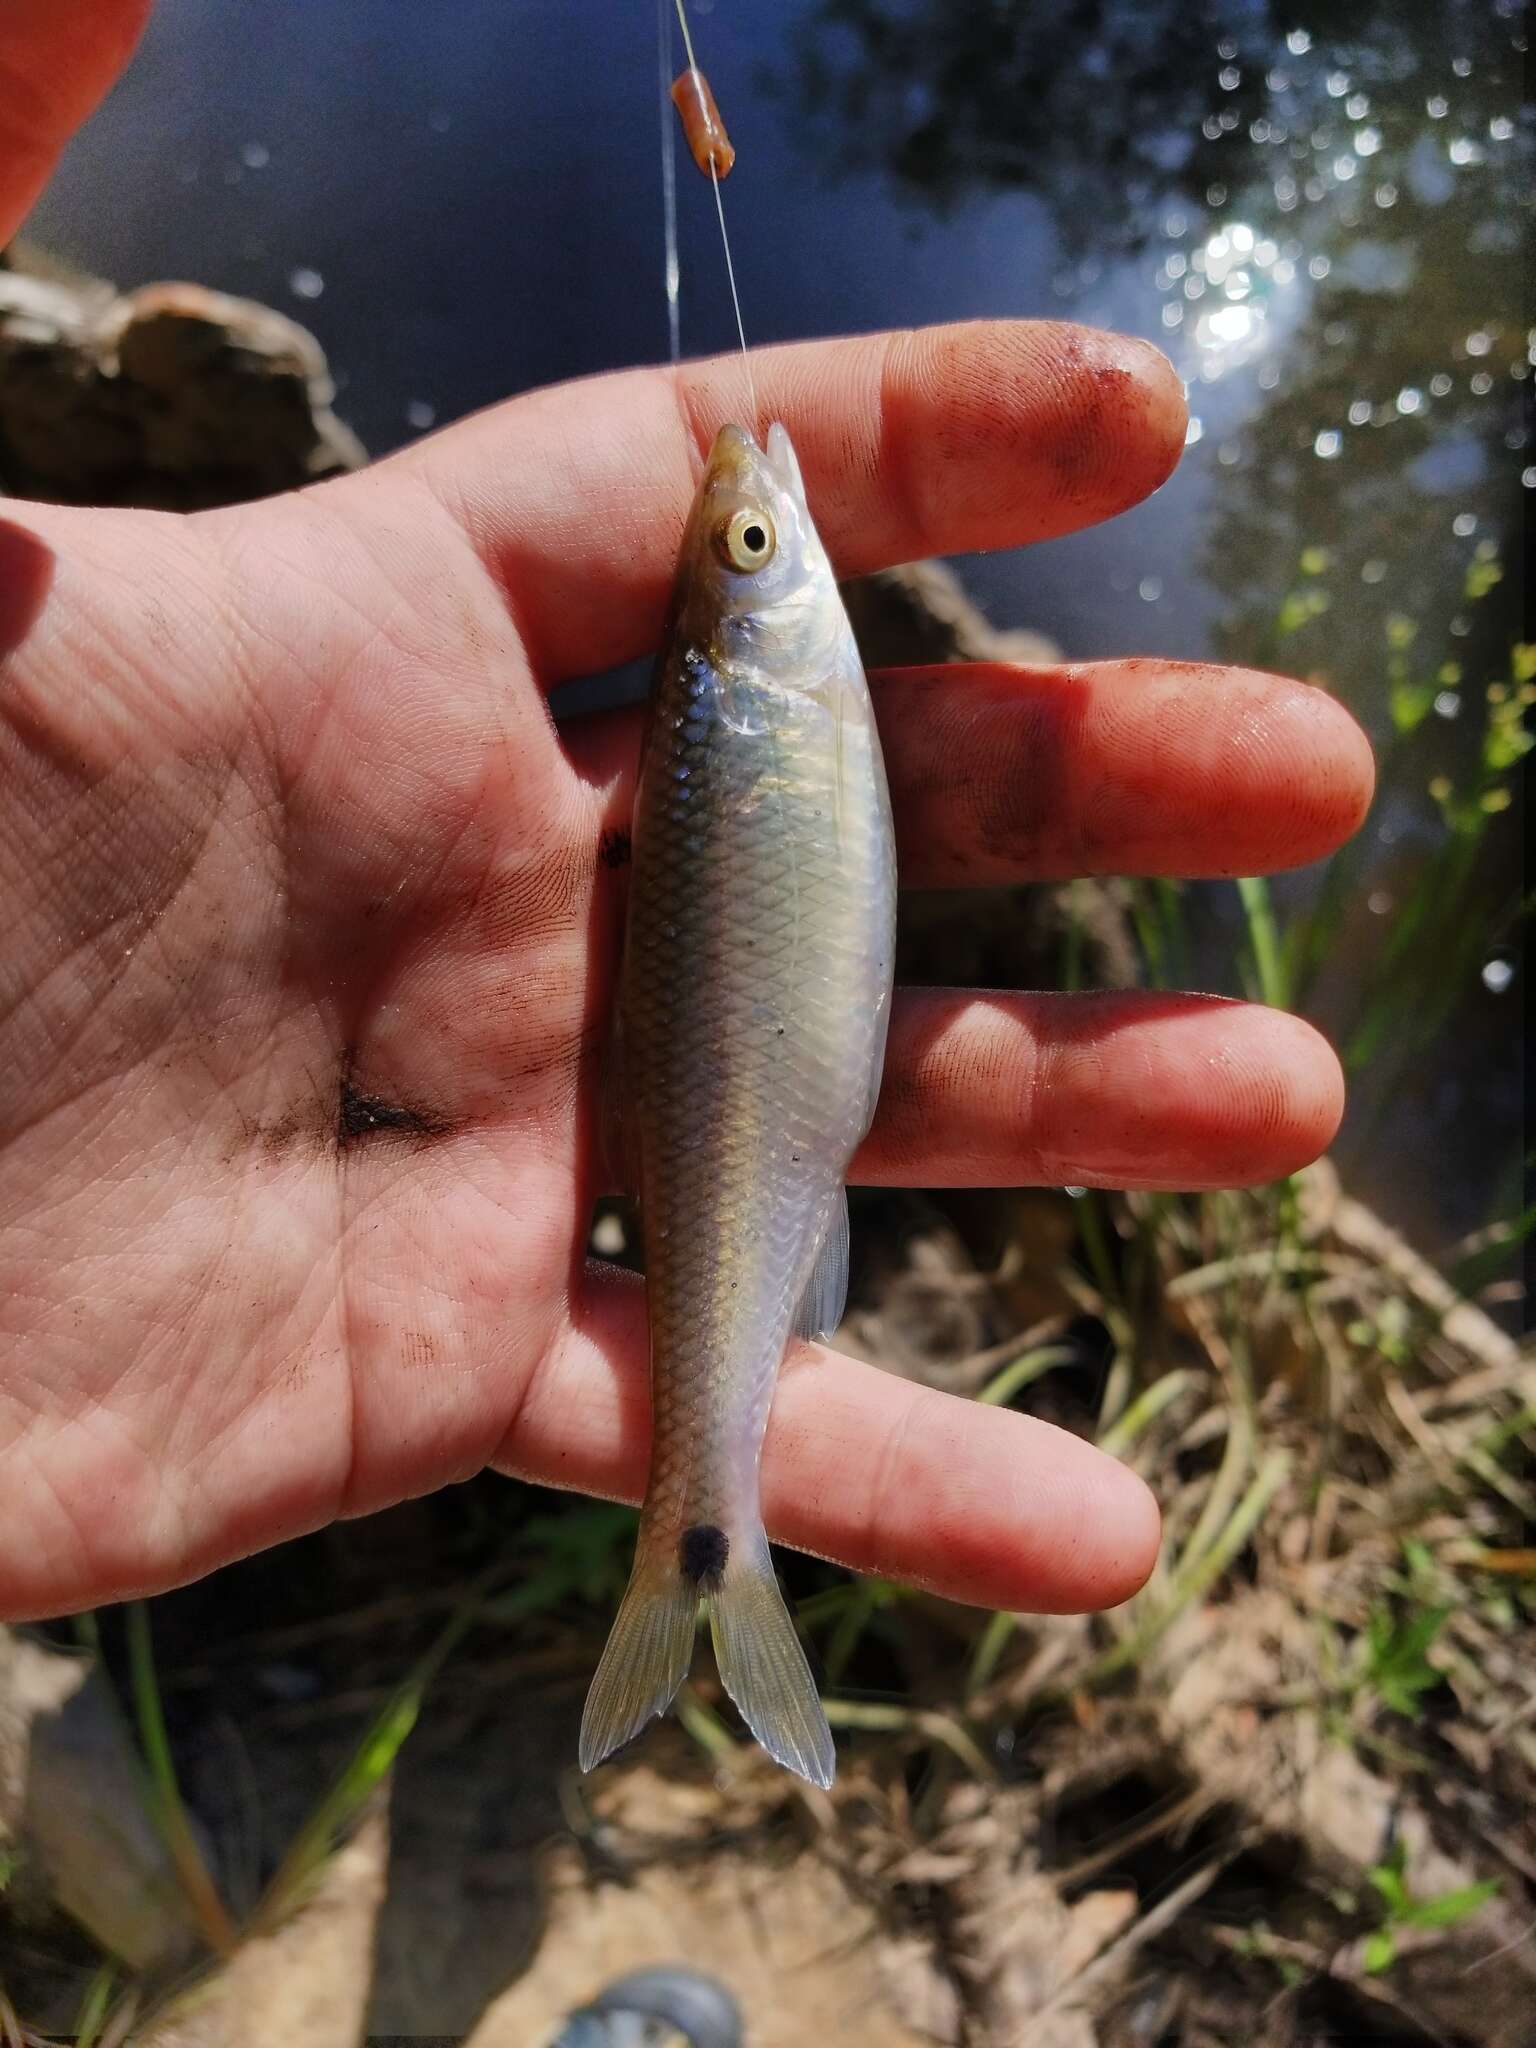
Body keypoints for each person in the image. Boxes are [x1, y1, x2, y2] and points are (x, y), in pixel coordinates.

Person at [0, 0, 1372, 1628]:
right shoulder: (750, 698)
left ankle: (698, 1535)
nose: (763, 515)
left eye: (747, 550)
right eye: (751, 555)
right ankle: (698, 1532)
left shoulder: (750, 703)